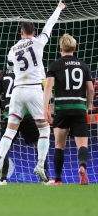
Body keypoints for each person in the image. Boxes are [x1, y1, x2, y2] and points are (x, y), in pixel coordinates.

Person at [0, 0, 66, 183]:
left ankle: (0, 162)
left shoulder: (12, 49)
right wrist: (58, 8)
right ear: (33, 32)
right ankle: (40, 165)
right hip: (34, 90)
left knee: (9, 131)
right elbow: (49, 26)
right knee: (44, 129)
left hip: (17, 91)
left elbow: (10, 64)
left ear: (20, 32)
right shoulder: (38, 41)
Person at [43, 33, 93, 185]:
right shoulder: (83, 65)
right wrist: (87, 107)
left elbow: (48, 87)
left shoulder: (54, 65)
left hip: (61, 108)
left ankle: (58, 179)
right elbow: (90, 90)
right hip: (79, 108)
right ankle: (82, 166)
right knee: (82, 145)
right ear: (74, 48)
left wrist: (45, 108)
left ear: (60, 49)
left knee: (59, 145)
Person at [0, 68, 51, 185]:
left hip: (10, 113)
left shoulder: (3, 74)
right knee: (39, 143)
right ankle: (45, 177)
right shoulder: (27, 71)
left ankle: (2, 179)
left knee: (6, 146)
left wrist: (3, 107)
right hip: (28, 113)